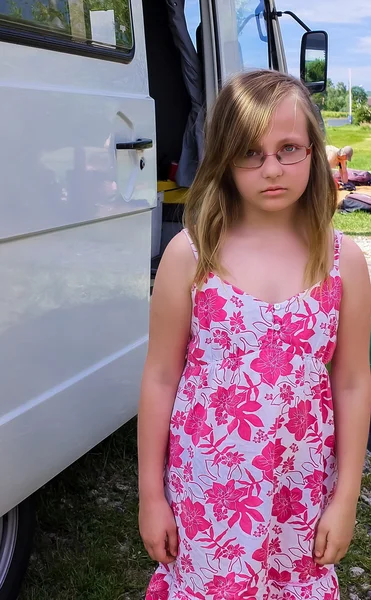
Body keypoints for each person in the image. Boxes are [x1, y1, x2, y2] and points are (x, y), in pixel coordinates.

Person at [138, 70, 371, 600]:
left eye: (289, 148)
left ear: (314, 151)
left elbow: (354, 381)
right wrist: (153, 495)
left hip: (302, 489)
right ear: (223, 157)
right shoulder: (190, 256)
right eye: (250, 152)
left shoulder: (343, 262)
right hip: (209, 492)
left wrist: (346, 495)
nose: (272, 169)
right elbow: (159, 378)